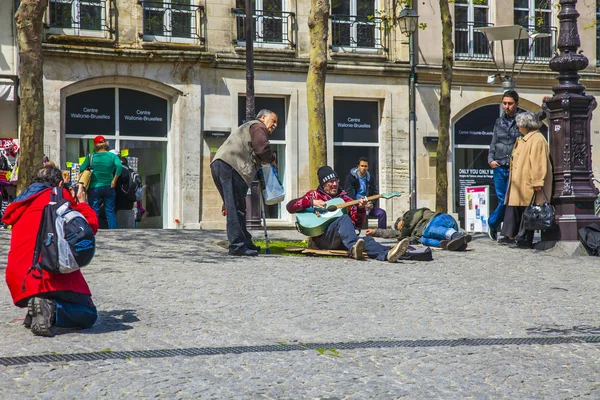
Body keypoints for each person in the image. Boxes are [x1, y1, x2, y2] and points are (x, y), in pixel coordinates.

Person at [2, 165, 99, 337]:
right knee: (88, 313)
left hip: (19, 280)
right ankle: (52, 309)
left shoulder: (21, 202)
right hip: (45, 276)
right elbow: (88, 228)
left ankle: (37, 310)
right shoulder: (58, 196)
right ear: (60, 183)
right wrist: (82, 203)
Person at [286, 166, 409, 262]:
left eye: (336, 180)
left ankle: (388, 255)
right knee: (343, 218)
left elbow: (356, 225)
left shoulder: (345, 199)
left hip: (343, 240)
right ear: (323, 184)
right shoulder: (314, 195)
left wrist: (361, 209)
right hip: (323, 239)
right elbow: (290, 206)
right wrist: (311, 202)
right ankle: (354, 247)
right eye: (330, 182)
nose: (334, 184)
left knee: (368, 240)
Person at [211, 109, 278, 256]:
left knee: (238, 206)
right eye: (273, 121)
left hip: (222, 165)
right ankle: (237, 246)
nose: (275, 125)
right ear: (262, 118)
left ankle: (245, 242)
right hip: (232, 166)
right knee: (236, 208)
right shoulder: (258, 126)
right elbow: (262, 149)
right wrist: (272, 158)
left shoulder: (249, 127)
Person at [501, 112, 552, 249]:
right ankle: (516, 237)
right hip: (520, 183)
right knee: (520, 211)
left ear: (525, 125)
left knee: (528, 212)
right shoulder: (525, 139)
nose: (518, 128)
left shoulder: (537, 140)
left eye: (519, 126)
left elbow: (538, 163)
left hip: (528, 183)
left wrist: (537, 182)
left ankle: (523, 239)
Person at [366, 208, 472, 251]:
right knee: (424, 240)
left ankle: (457, 236)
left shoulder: (409, 216)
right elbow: (392, 233)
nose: (399, 228)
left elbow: (412, 220)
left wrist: (404, 225)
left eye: (398, 225)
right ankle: (451, 243)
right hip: (437, 231)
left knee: (427, 231)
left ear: (401, 221)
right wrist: (375, 232)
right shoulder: (406, 233)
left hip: (440, 220)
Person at [80, 135, 122, 229]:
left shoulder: (91, 156)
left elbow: (81, 168)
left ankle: (95, 229)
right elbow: (119, 166)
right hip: (109, 186)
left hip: (94, 187)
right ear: (105, 144)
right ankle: (113, 232)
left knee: (94, 210)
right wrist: (114, 180)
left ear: (95, 145)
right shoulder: (112, 156)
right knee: (110, 211)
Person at [344, 157, 387, 229]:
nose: (363, 168)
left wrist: (372, 203)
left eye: (365, 166)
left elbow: (375, 192)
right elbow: (348, 193)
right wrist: (358, 203)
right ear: (358, 166)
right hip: (355, 205)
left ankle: (381, 233)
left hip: (367, 205)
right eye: (362, 166)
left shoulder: (371, 178)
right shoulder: (350, 177)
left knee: (382, 213)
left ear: (368, 167)